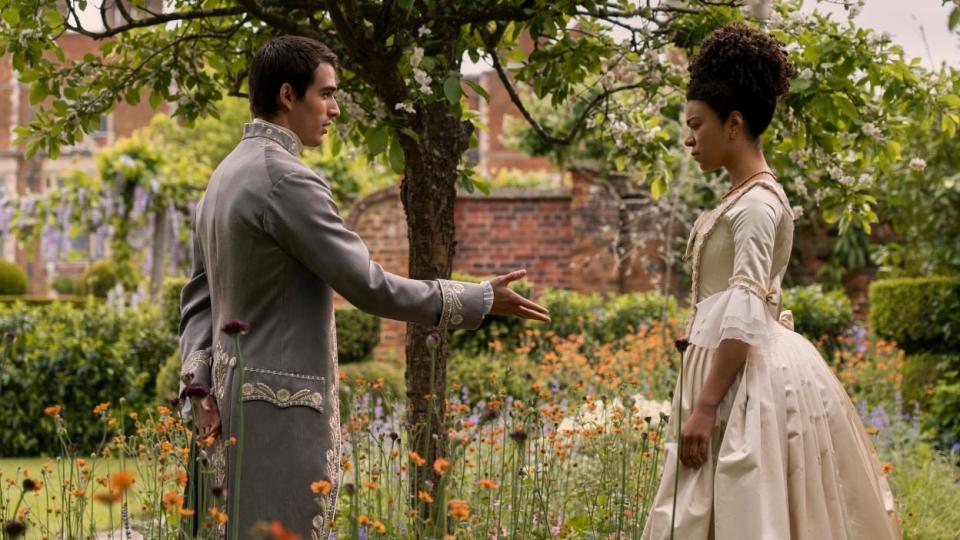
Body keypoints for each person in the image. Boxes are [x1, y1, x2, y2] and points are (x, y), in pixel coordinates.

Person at [178, 35, 551, 539]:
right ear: (289, 96)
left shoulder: (223, 176)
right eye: (327, 94)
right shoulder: (286, 180)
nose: (334, 109)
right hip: (275, 420)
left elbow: (196, 300)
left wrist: (198, 383)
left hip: (221, 411)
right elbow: (368, 285)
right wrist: (476, 298)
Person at [641, 23, 901, 540]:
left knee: (745, 505)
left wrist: (707, 406)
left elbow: (744, 307)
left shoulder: (757, 205)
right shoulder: (740, 198)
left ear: (733, 123)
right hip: (726, 371)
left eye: (697, 124)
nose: (689, 139)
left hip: (741, 383)